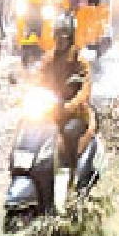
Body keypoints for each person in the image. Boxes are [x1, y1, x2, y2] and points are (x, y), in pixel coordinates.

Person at [38, 13, 95, 169]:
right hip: (51, 112)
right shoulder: (48, 60)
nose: (61, 39)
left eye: (64, 35)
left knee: (69, 132)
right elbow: (38, 83)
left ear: (70, 37)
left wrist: (70, 106)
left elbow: (84, 91)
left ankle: (71, 173)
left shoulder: (79, 62)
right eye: (58, 34)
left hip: (75, 114)